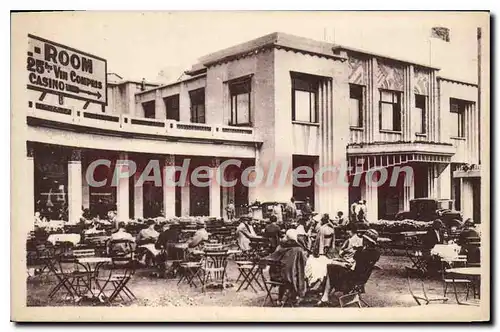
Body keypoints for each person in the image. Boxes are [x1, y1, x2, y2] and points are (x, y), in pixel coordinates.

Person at [318, 228, 380, 305]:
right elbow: (361, 265)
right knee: (335, 268)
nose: (362, 240)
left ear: (367, 241)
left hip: (353, 278)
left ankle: (325, 296)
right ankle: (325, 295)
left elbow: (355, 265)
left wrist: (342, 264)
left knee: (331, 267)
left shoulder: (361, 251)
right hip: (362, 279)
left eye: (364, 239)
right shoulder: (376, 253)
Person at [263, 229, 308, 306]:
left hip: (276, 277)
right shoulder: (298, 249)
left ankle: (280, 299)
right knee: (303, 274)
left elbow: (271, 258)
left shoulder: (280, 246)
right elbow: (303, 263)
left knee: (286, 272)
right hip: (289, 279)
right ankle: (295, 297)